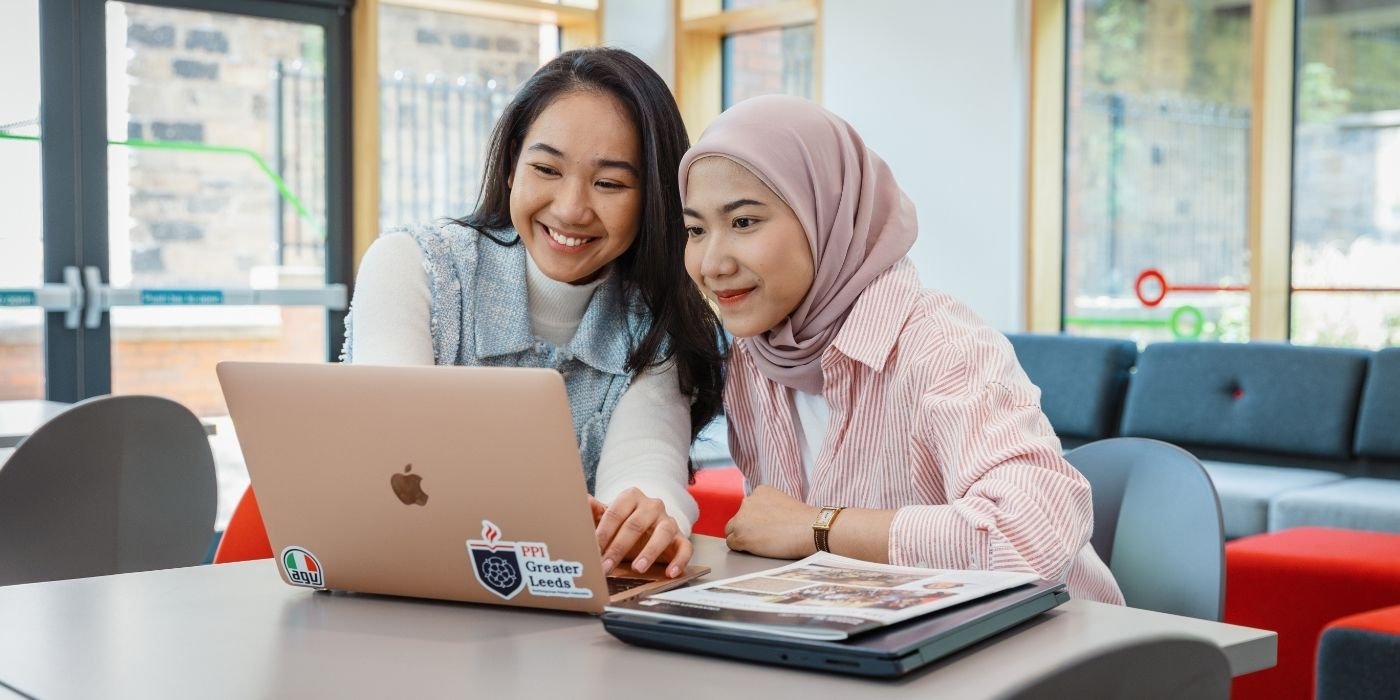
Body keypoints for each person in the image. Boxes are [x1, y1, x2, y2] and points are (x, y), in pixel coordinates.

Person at [678, 95, 1124, 603]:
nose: (711, 264)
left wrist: (817, 528)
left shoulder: (941, 344)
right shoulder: (756, 360)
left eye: (743, 223)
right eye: (695, 230)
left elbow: (1029, 537)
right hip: (886, 648)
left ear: (828, 216)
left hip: (1047, 653)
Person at [344, 48, 726, 578]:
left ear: (653, 200)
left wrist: (648, 513)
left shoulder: (653, 329)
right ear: (510, 169)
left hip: (542, 621)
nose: (570, 208)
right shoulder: (416, 265)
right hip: (384, 579)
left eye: (610, 183)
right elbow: (388, 446)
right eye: (546, 168)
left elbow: (644, 464)